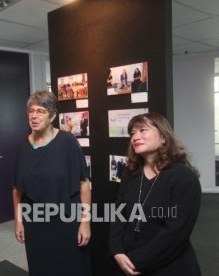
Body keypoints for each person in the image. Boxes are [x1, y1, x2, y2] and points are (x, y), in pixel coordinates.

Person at [108, 112, 201, 275]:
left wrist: (136, 261)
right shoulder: (130, 175)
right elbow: (119, 214)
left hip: (168, 266)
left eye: (143, 130)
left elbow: (176, 232)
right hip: (127, 262)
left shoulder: (184, 177)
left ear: (164, 137)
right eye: (132, 133)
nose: (135, 137)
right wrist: (116, 250)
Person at [12, 90, 91, 275]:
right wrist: (18, 221)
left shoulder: (67, 142)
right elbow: (17, 189)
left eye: (40, 111)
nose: (34, 116)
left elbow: (84, 183)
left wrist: (85, 222)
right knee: (40, 267)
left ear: (53, 115)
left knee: (70, 268)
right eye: (31, 111)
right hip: (35, 223)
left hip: (65, 221)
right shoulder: (23, 146)